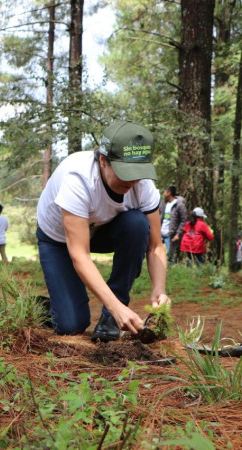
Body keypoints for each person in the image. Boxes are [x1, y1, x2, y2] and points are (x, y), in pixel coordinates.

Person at [35, 120, 171, 341]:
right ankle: (51, 306)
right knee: (71, 324)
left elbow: (155, 245)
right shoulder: (78, 178)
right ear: (103, 160)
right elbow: (79, 254)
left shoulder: (143, 185)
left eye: (138, 172)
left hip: (102, 230)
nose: (133, 180)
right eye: (125, 172)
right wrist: (117, 307)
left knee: (137, 224)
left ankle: (111, 315)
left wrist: (159, 288)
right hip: (58, 240)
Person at [158, 185, 187, 263]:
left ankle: (170, 272)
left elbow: (183, 220)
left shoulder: (179, 205)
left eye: (165, 191)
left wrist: (178, 234)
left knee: (170, 256)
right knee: (157, 253)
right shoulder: (164, 203)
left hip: (171, 235)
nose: (163, 193)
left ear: (169, 193)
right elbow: (159, 215)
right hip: (160, 233)